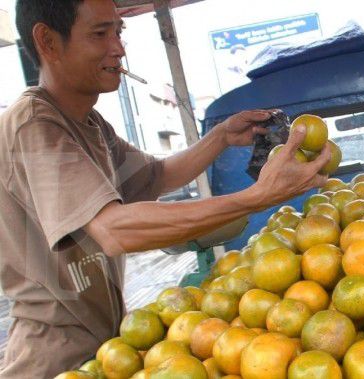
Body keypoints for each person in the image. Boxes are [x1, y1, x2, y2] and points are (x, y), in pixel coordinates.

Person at [0, 1, 330, 377]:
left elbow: (156, 177)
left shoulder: (88, 124)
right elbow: (113, 229)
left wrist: (220, 137)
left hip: (106, 345)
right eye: (99, 34)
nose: (118, 48)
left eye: (118, 33)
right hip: (54, 357)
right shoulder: (34, 126)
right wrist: (256, 197)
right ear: (48, 41)